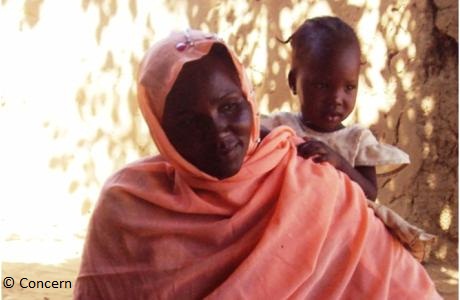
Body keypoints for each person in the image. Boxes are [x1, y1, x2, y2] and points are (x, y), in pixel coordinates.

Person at [74, 29, 441, 299]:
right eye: (189, 122)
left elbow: (398, 286)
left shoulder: (312, 181)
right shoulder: (128, 206)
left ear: (249, 101)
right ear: (161, 131)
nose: (218, 132)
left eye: (230, 107)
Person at [261, 16, 436, 262]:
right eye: (322, 85)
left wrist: (339, 162)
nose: (337, 98)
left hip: (341, 238)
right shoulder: (281, 126)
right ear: (293, 82)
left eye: (349, 87)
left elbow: (370, 193)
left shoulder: (356, 139)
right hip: (290, 234)